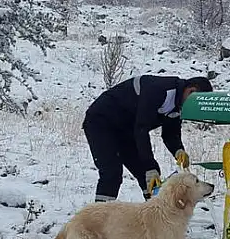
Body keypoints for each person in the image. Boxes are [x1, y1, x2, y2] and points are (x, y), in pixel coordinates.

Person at [83, 74, 213, 202]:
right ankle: (98, 218)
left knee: (148, 175)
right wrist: (150, 165)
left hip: (127, 130)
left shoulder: (178, 103)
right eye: (196, 103)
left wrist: (178, 150)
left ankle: (155, 215)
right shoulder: (159, 89)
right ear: (191, 91)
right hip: (101, 122)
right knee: (112, 173)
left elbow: (170, 133)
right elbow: (141, 129)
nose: (193, 108)